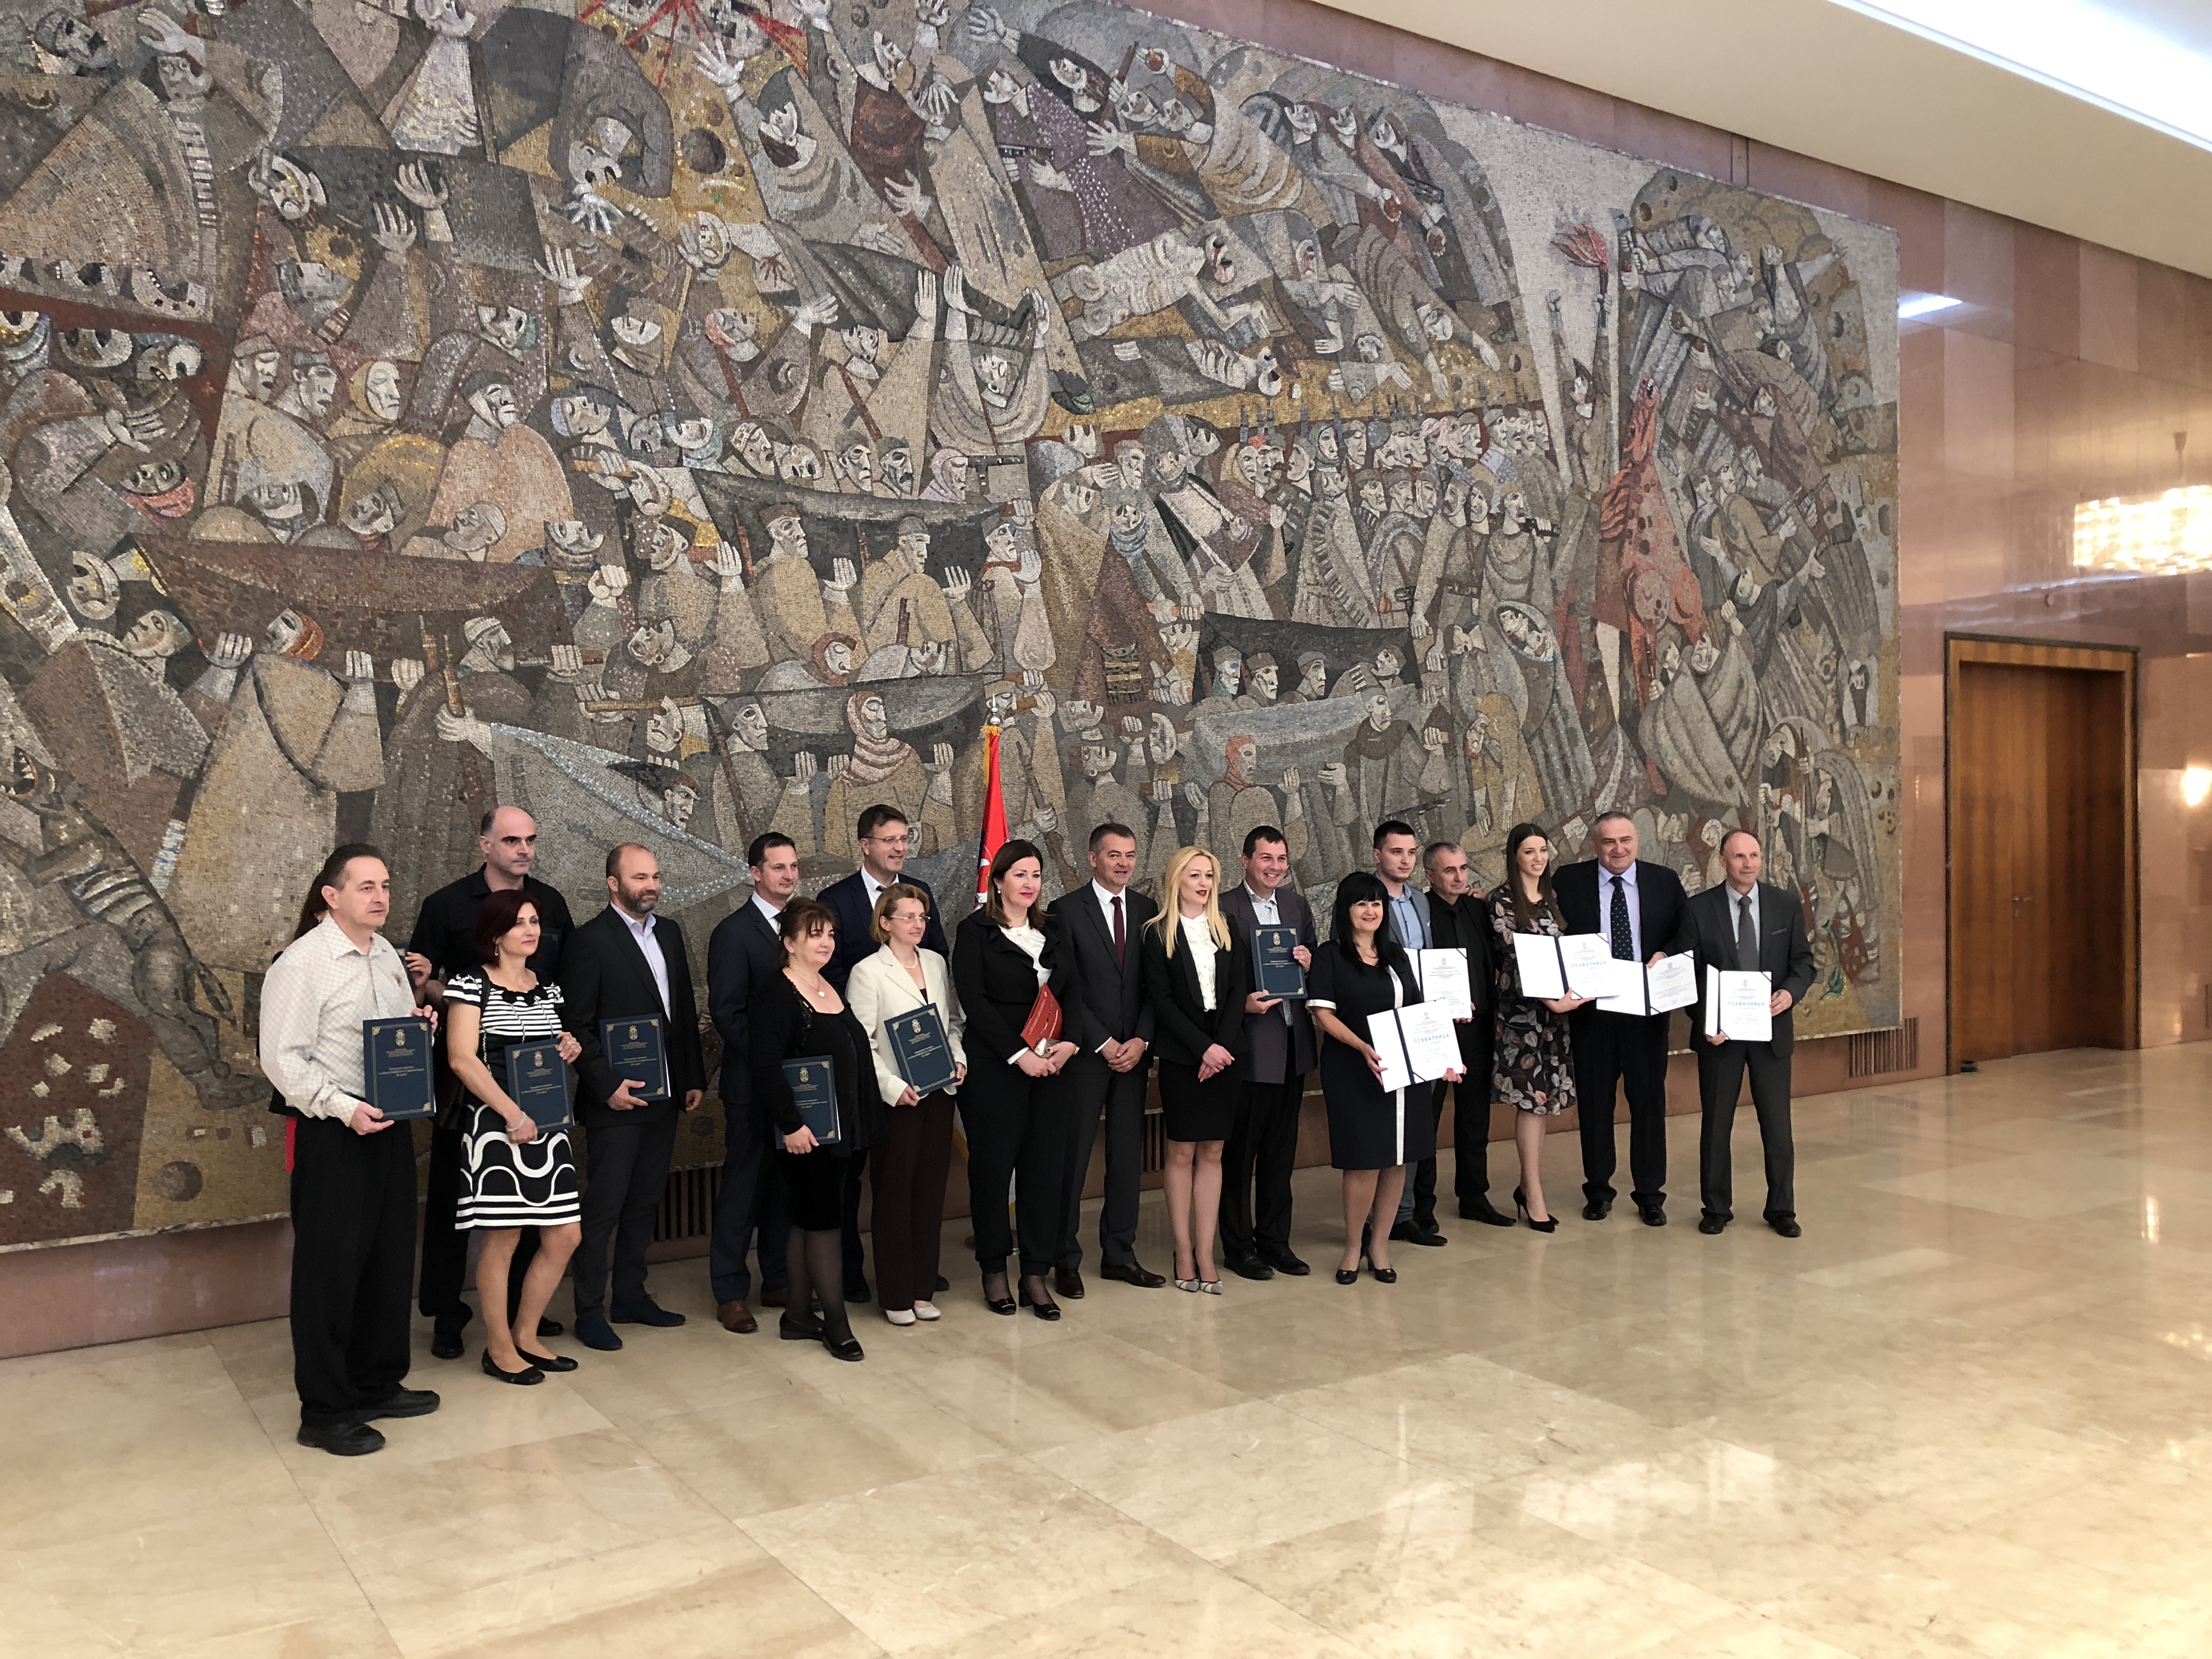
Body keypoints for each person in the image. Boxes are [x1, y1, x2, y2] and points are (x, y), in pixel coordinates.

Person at [259, 845, 440, 1455]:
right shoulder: (301, 963)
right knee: (329, 1273)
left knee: (388, 1260)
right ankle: (326, 1411)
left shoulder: (385, 953)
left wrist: (418, 1028)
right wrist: (342, 1108)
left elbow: (386, 1037)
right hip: (334, 1131)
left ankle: (376, 1382)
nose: (380, 896)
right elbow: (282, 1059)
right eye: (366, 887)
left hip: (389, 1123)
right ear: (331, 896)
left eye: (385, 885)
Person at [404, 807, 576, 1361]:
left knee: (535, 1215)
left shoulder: (550, 904)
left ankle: (524, 1317)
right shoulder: (446, 905)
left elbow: (560, 984)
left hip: (540, 1090)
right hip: (473, 1091)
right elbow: (419, 983)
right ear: (486, 845)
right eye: (511, 840)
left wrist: (565, 1039)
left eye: (530, 840)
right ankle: (448, 1316)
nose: (523, 849)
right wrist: (463, 1001)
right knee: (456, 1206)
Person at [560, 844, 708, 1351]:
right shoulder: (589, 941)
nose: (651, 886)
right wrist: (606, 1086)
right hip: (614, 1102)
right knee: (604, 1208)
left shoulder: (670, 933)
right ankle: (588, 1310)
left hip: (664, 1095)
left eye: (656, 877)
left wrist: (692, 1077)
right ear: (613, 883)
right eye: (640, 877)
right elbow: (575, 1024)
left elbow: (681, 1012)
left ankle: (630, 1296)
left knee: (645, 1201)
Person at [441, 889, 584, 1384]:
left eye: (534, 921)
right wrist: (512, 1114)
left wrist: (567, 1045)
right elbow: (461, 1058)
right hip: (497, 1127)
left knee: (566, 1235)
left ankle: (526, 1333)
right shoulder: (470, 983)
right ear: (495, 934)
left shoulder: (547, 988)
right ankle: (499, 1348)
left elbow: (547, 1049)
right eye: (519, 922)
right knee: (503, 1239)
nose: (530, 930)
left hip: (547, 1126)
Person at [817, 803, 951, 1301]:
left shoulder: (919, 892)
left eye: (904, 838)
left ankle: (917, 1275)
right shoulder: (837, 899)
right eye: (889, 839)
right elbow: (828, 972)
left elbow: (938, 971)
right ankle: (854, 1272)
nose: (899, 847)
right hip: (864, 1058)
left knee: (922, 1183)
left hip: (930, 1075)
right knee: (862, 1177)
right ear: (865, 845)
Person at [749, 898, 888, 1360]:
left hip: (840, 1132)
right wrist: (791, 1125)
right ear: (789, 943)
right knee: (824, 1222)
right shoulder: (777, 993)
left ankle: (796, 1315)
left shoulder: (829, 985)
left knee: (808, 1220)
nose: (826, 942)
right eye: (814, 935)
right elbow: (766, 1066)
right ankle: (837, 1324)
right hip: (805, 1135)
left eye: (830, 934)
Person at [952, 839, 1081, 1319]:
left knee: (1043, 1171)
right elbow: (974, 1000)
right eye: (1020, 875)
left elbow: (1075, 991)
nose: (1030, 884)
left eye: (1036, 875)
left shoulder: (1055, 928)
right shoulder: (975, 931)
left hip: (1053, 1068)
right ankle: (993, 1271)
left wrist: (1071, 1043)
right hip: (995, 1070)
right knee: (992, 1171)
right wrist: (1018, 1055)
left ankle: (1035, 1274)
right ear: (999, 880)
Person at [1667, 828, 1816, 1237]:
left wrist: (1790, 992)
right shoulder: (1699, 909)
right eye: (1738, 856)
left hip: (1771, 1031)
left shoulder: (1785, 905)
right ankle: (1716, 1208)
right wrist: (1707, 1019)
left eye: (1754, 855)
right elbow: (1687, 975)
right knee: (1717, 1125)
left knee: (1778, 1126)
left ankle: (1782, 1208)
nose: (1748, 864)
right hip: (1720, 1037)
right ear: (1723, 861)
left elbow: (1804, 962)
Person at [1308, 872, 1454, 1285]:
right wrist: (1362, 1047)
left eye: (1377, 903)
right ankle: (1353, 1246)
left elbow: (1420, 1014)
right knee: (1363, 1161)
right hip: (1354, 1070)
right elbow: (1323, 1014)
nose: (1371, 911)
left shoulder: (1396, 956)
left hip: (1403, 1071)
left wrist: (1443, 1058)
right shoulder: (1330, 956)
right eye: (1362, 904)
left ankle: (1380, 1247)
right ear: (1346, 910)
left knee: (1397, 1160)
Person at [1045, 821, 1164, 1295]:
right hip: (1086, 1057)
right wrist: (1102, 1042)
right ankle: (1064, 1260)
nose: (1124, 863)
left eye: (1130, 855)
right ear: (1093, 858)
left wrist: (1142, 1039)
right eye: (1114, 855)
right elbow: (1065, 988)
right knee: (1072, 1160)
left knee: (1126, 1158)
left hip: (1134, 1056)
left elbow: (1157, 985)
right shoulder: (1065, 910)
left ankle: (1120, 1254)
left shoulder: (1149, 910)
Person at [1555, 811, 1689, 1226]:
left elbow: (1687, 932)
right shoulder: (1568, 881)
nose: (1619, 849)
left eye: (1626, 840)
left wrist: (1665, 953)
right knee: (1596, 1104)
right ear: (1595, 845)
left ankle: (1650, 1194)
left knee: (1648, 1103)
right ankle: (1598, 1190)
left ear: (1638, 840)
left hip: (1645, 1014)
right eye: (1609, 842)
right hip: (1591, 1013)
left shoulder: (1664, 881)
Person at [847, 884, 968, 1325]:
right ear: (885, 922)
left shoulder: (935, 963)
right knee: (895, 1195)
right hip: (898, 1100)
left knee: (930, 1194)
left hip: (939, 1094)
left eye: (923, 917)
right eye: (909, 917)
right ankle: (896, 1296)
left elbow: (952, 1023)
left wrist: (958, 1059)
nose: (918, 924)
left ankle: (922, 1290)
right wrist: (892, 1087)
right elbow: (861, 1043)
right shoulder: (867, 972)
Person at [1139, 847, 1251, 1294]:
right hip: (1184, 1053)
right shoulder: (1157, 933)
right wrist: (1203, 1048)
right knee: (1183, 1152)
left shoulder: (1227, 927)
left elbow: (1238, 989)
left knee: (1214, 1153)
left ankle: (1206, 1252)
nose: (1204, 884)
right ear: (1176, 881)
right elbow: (1161, 1001)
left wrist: (1219, 1047)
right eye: (1195, 876)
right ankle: (1183, 1250)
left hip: (1226, 1051)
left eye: (1209, 876)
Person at [703, 832, 798, 1334]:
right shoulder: (734, 932)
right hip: (751, 1086)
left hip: (796, 1085)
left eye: (793, 867)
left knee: (784, 1186)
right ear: (755, 873)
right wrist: (771, 1062)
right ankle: (730, 1290)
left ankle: (777, 1278)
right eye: (778, 867)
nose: (788, 875)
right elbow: (727, 1012)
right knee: (743, 1188)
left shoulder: (802, 926)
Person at [1217, 825, 1317, 1280]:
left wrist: (1310, 964)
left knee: (1280, 1154)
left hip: (1294, 1045)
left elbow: (1315, 969)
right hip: (1251, 1047)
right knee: (1240, 1157)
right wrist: (1240, 1005)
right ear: (1245, 860)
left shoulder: (1297, 905)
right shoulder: (1224, 909)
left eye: (1281, 859)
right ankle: (1239, 1247)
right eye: (1266, 858)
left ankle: (1276, 1242)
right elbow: (1212, 979)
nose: (1275, 867)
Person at [1487, 822, 1592, 1231]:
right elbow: (1516, 958)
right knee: (1531, 1103)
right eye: (1529, 851)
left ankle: (1526, 1185)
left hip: (1554, 1019)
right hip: (1522, 1018)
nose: (1538, 858)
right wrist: (1552, 1000)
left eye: (1543, 850)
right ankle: (1533, 1193)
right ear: (1515, 855)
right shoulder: (1502, 900)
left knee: (1543, 1102)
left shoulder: (1553, 897)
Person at [1414, 841, 1510, 1231]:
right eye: (1449, 870)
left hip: (1479, 1027)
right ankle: (1421, 1205)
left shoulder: (1477, 909)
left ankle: (1474, 1196)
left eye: (1463, 868)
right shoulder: (1419, 912)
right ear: (1430, 875)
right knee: (1428, 1118)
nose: (1459, 877)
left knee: (1475, 1117)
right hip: (1437, 1030)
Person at [1371, 819, 1446, 1248]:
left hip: (1423, 1021)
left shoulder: (1420, 900)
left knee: (1417, 1119)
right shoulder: (1365, 899)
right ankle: (1372, 1217)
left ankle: (1402, 1214)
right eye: (1396, 851)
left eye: (1411, 852)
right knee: (1385, 1123)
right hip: (1385, 1021)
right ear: (1377, 854)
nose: (1405, 860)